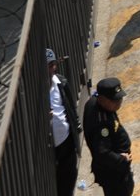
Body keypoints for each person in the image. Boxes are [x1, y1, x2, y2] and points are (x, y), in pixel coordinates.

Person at [82, 78, 132, 196]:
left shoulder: (96, 102)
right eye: (115, 100)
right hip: (113, 173)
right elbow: (102, 152)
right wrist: (121, 159)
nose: (119, 102)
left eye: (120, 98)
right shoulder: (101, 123)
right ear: (102, 99)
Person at [48, 48, 80, 196]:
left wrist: (76, 125)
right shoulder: (37, 91)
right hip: (49, 147)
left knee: (69, 175)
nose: (51, 68)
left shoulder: (60, 82)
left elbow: (70, 107)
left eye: (53, 64)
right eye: (48, 65)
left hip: (66, 139)